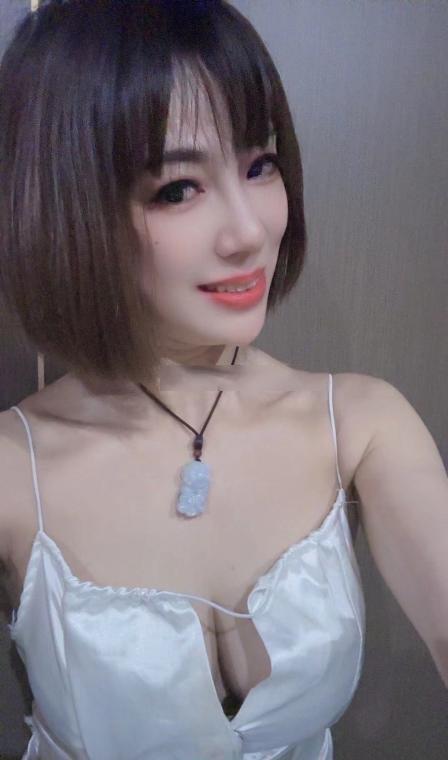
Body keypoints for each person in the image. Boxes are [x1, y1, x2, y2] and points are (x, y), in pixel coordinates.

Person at [0, 1, 446, 758]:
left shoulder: (361, 423)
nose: (250, 231)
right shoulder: (17, 468)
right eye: (178, 189)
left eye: (259, 165)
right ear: (69, 208)